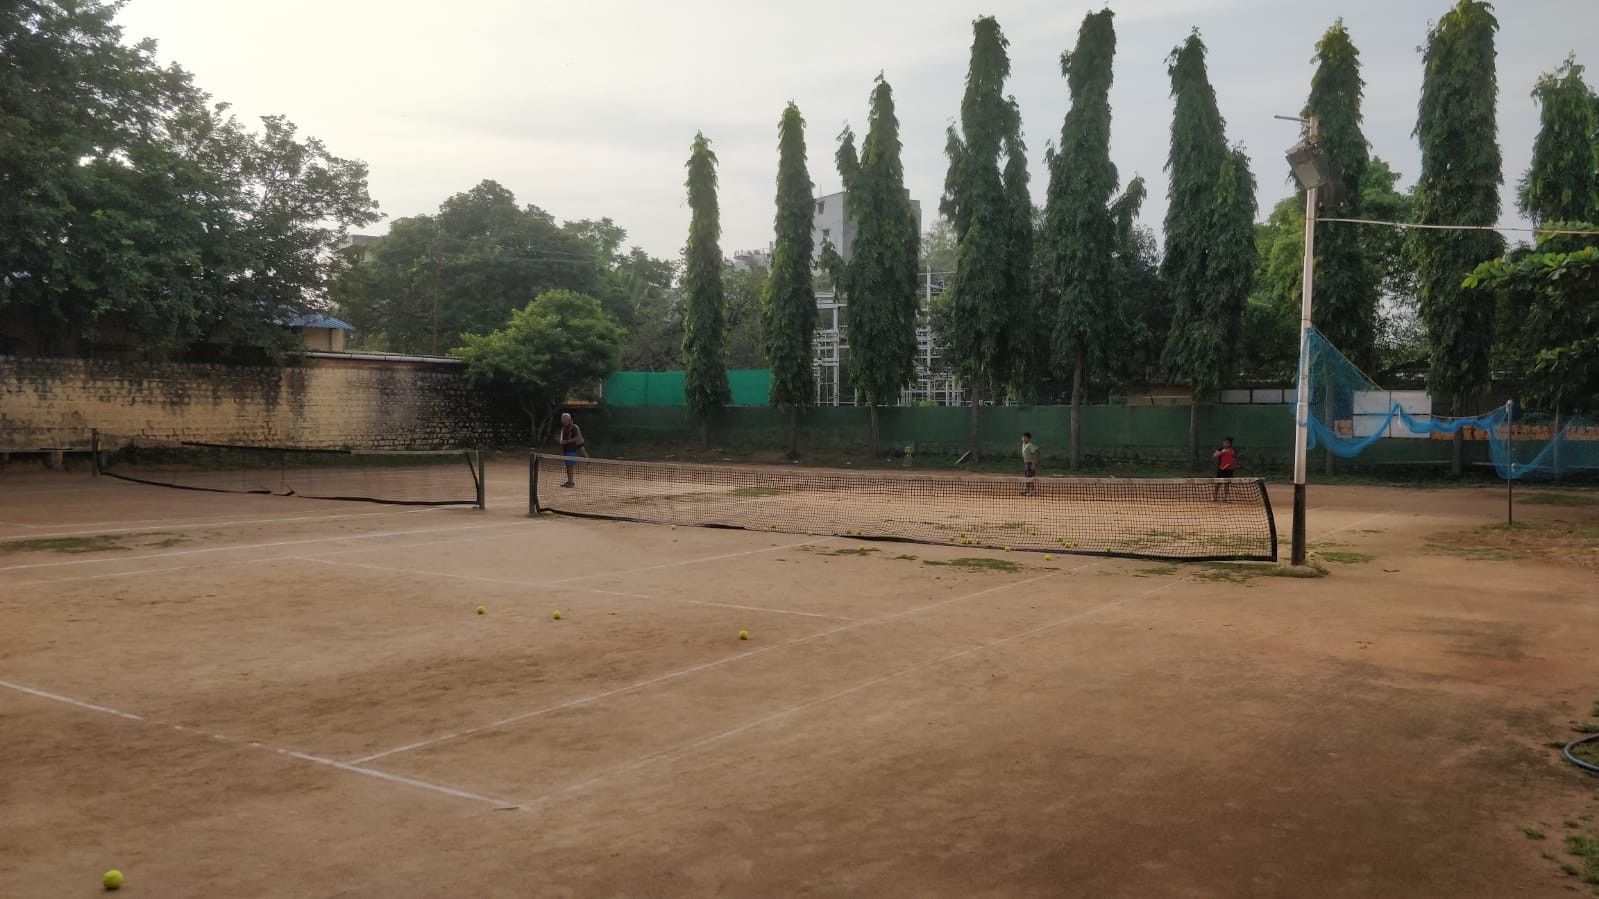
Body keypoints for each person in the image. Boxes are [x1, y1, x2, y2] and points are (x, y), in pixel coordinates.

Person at [558, 412, 587, 487]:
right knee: (568, 466)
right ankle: (569, 481)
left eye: (564, 419)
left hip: (571, 450)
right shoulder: (563, 428)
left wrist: (567, 441)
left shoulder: (573, 428)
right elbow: (562, 440)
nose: (562, 420)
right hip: (565, 450)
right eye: (562, 419)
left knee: (570, 466)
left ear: (568, 419)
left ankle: (571, 482)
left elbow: (577, 437)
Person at [1211, 436, 1236, 501]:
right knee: (1217, 483)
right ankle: (1215, 496)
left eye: (1227, 443)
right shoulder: (1220, 449)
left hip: (1229, 470)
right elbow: (1214, 456)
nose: (1225, 444)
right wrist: (1222, 452)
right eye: (1224, 443)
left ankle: (1226, 497)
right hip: (1221, 469)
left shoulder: (1233, 450)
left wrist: (1232, 463)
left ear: (1230, 444)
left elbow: (1233, 459)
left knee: (1226, 483)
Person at [1021, 432, 1039, 497]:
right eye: (1022, 437)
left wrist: (1033, 464)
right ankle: (1027, 490)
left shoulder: (1030, 445)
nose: (1023, 438)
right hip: (1026, 463)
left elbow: (1033, 455)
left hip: (1030, 463)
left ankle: (1032, 492)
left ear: (1028, 438)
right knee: (1027, 477)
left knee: (1030, 478)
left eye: (1024, 437)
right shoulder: (1024, 444)